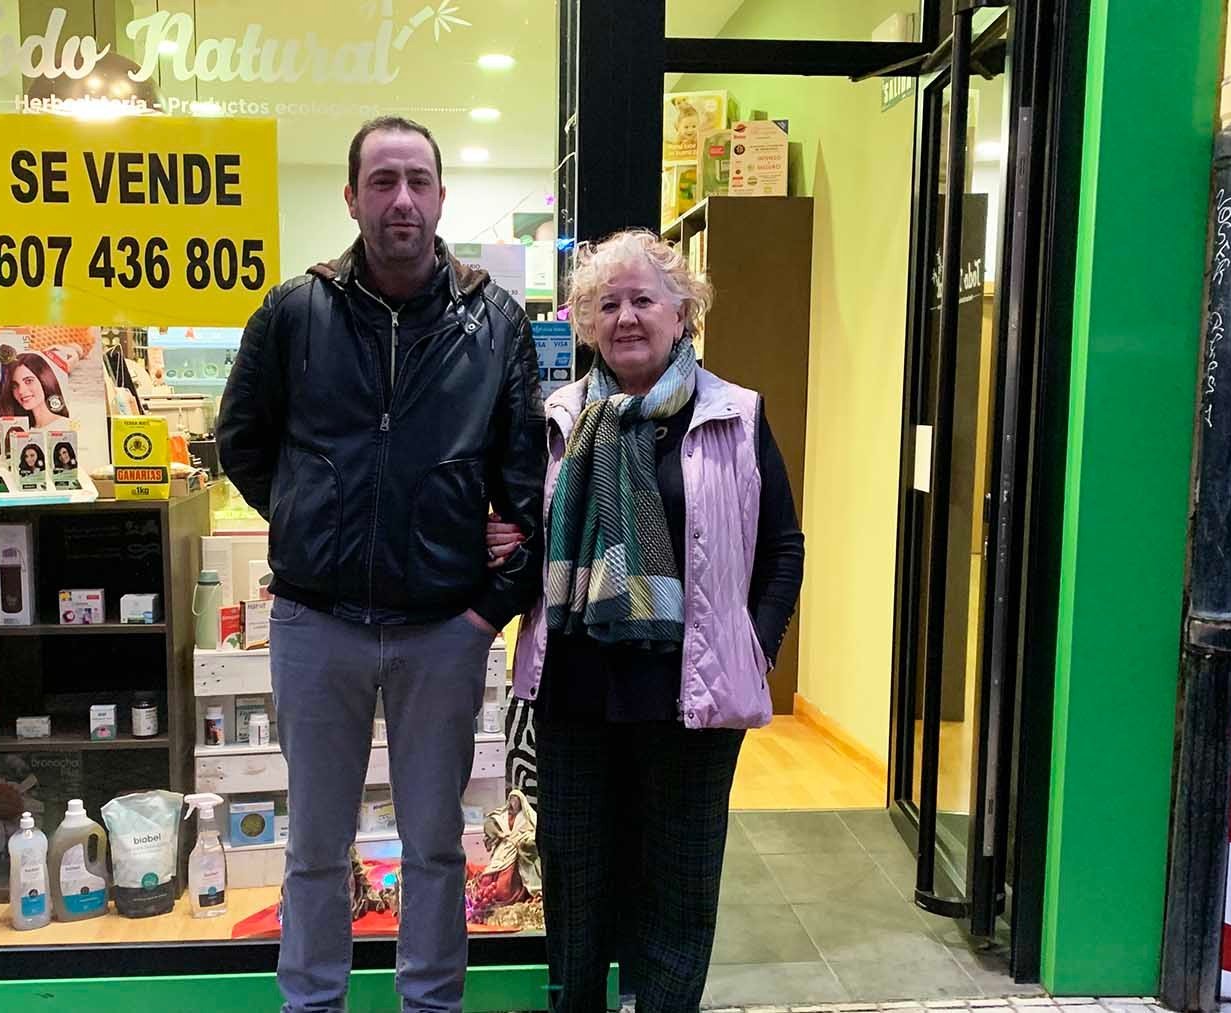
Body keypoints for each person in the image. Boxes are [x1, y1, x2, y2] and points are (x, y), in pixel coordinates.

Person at [215, 116, 545, 1013]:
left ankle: (430, 1003)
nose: (402, 199)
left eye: (419, 181)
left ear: (441, 197)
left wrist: (487, 609)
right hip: (315, 624)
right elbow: (239, 442)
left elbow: (523, 483)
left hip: (443, 627)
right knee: (316, 844)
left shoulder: (496, 321)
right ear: (352, 195)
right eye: (383, 180)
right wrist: (306, 518)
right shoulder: (295, 311)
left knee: (437, 842)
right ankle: (312, 1002)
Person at [495, 229, 805, 1013]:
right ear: (587, 321)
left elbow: (782, 548)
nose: (626, 316)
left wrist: (751, 647)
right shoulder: (557, 418)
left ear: (682, 313)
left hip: (689, 702)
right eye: (608, 303)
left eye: (644, 300)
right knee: (575, 882)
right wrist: (505, 536)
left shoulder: (735, 414)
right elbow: (523, 532)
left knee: (680, 883)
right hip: (575, 694)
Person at [0, 346, 69, 428]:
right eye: (14, 386)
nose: (21, 391)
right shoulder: (21, 429)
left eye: (29, 381)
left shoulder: (64, 425)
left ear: (44, 380)